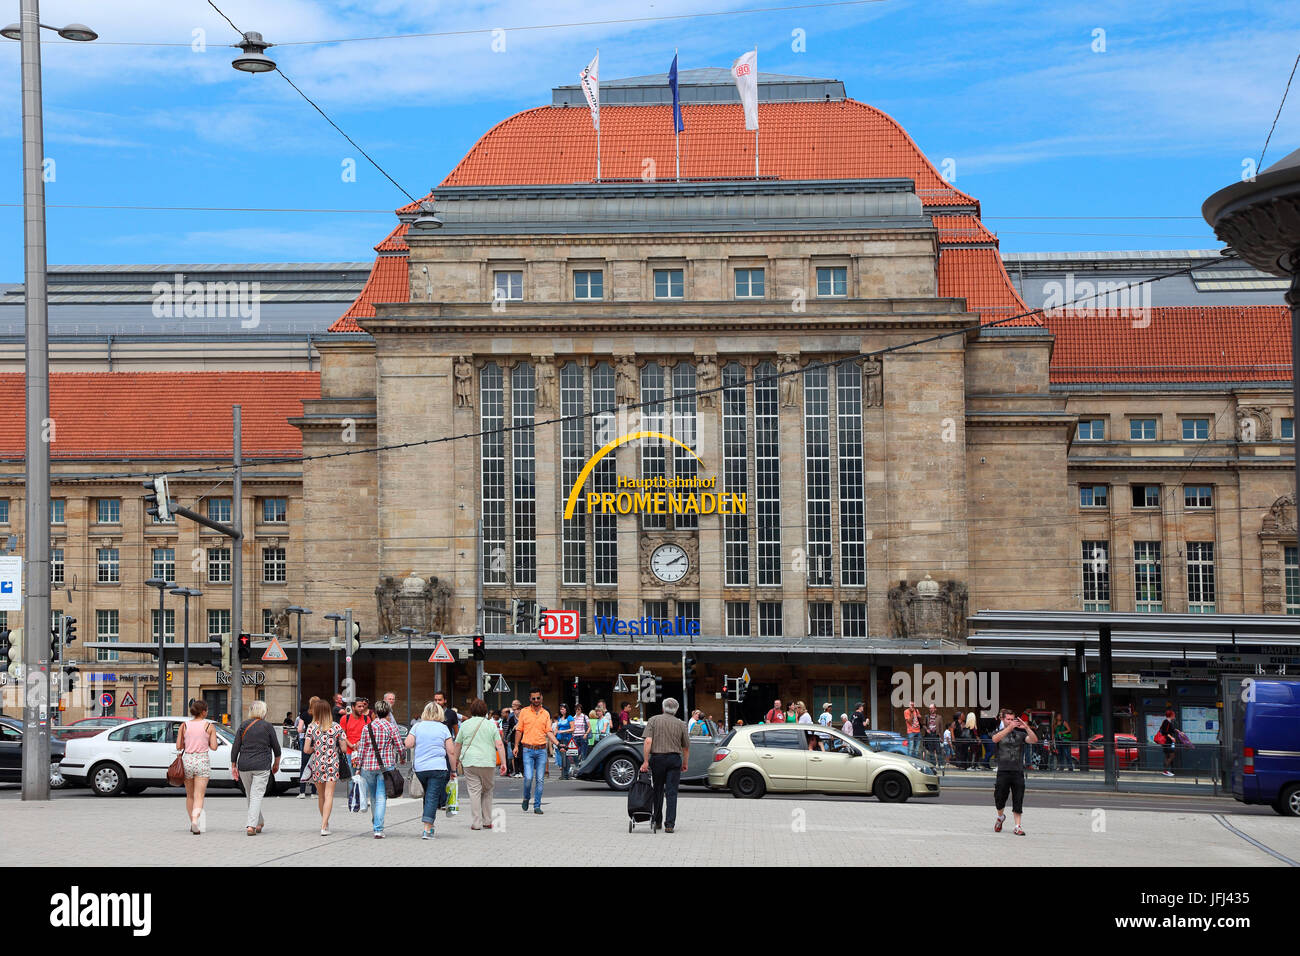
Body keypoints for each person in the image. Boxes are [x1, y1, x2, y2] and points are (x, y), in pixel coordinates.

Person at [352, 700, 405, 839]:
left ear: (374, 713)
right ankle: (378, 829)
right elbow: (400, 746)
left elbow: (361, 749)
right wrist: (402, 757)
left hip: (368, 767)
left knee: (374, 797)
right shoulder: (391, 727)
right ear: (388, 713)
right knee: (382, 797)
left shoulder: (367, 727)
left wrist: (358, 767)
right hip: (385, 767)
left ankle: (375, 822)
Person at [230, 699, 282, 837]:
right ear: (263, 712)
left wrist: (233, 765)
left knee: (251, 795)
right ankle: (251, 826)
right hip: (262, 765)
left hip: (244, 765)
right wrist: (276, 764)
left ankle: (259, 821)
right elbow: (276, 748)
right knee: (256, 795)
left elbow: (235, 747)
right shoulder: (267, 726)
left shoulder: (243, 725)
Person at [406, 702, 458, 839]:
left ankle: (430, 825)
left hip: (420, 768)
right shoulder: (443, 728)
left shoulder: (417, 726)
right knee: (432, 797)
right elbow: (451, 752)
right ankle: (427, 829)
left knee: (427, 796)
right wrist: (454, 770)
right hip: (438, 767)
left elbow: (408, 744)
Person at [455, 698, 508, 831]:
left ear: (471, 710)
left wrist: (455, 760)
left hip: (470, 762)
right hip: (488, 762)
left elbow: (458, 744)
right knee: (488, 790)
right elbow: (499, 745)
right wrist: (504, 763)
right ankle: (488, 821)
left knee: (474, 792)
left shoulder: (465, 725)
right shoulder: (491, 725)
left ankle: (476, 823)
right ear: (485, 710)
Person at [640, 697, 690, 833]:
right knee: (672, 792)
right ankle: (670, 824)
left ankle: (657, 821)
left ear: (662, 708)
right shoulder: (681, 724)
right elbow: (685, 747)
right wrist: (684, 763)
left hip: (658, 759)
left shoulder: (653, 720)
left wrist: (646, 761)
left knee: (657, 790)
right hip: (674, 760)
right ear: (676, 710)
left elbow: (648, 741)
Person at [303, 697, 352, 836]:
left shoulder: (311, 727)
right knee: (329, 795)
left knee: (321, 796)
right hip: (332, 763)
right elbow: (343, 749)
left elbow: (306, 749)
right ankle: (324, 826)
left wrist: (316, 749)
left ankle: (324, 822)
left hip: (318, 764)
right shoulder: (336, 726)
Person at [175, 698, 219, 835]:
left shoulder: (184, 725)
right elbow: (214, 747)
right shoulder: (209, 726)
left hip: (187, 760)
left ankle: (192, 823)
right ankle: (195, 821)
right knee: (199, 795)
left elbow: (178, 746)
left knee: (190, 795)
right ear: (204, 712)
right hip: (202, 760)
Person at [992, 708, 1037, 835]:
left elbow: (1034, 740)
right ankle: (1000, 817)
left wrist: (1026, 727)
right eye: (1008, 719)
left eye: (1013, 719)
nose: (1011, 721)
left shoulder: (1020, 734)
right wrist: (1009, 728)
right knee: (999, 798)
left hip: (1017, 771)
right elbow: (995, 739)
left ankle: (1017, 826)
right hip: (1003, 771)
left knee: (1018, 798)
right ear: (1003, 719)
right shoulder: (999, 732)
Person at [514, 692, 559, 814]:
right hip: (527, 749)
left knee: (540, 779)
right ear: (530, 699)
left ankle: (537, 806)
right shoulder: (524, 712)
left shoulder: (545, 714)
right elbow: (519, 730)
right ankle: (526, 797)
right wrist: (516, 746)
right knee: (528, 777)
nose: (536, 700)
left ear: (541, 698)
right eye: (533, 698)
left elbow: (549, 731)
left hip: (541, 750)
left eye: (538, 698)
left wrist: (558, 744)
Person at [339, 697, 374, 812]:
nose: (362, 708)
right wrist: (351, 744)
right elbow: (342, 734)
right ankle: (353, 798)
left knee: (364, 776)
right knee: (351, 777)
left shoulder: (367, 719)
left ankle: (363, 799)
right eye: (359, 706)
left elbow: (369, 734)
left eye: (363, 706)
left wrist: (360, 743)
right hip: (350, 752)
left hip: (363, 752)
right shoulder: (345, 718)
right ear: (353, 707)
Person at [296, 698, 317, 798]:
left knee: (304, 765)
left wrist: (306, 731)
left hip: (307, 741)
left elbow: (299, 729)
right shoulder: (321, 715)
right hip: (318, 741)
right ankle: (314, 792)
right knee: (315, 766)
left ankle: (302, 792)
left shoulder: (304, 714)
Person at [554, 703, 574, 779]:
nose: (561, 710)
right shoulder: (559, 718)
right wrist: (555, 733)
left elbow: (572, 729)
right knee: (560, 757)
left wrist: (563, 731)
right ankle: (563, 773)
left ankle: (566, 774)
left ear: (566, 709)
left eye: (563, 709)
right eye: (560, 709)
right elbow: (557, 727)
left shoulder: (570, 718)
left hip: (566, 739)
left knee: (566, 756)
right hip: (559, 739)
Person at [1158, 708, 1179, 776]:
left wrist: (1177, 731)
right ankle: (1165, 771)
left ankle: (1166, 771)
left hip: (1167, 742)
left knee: (1167, 756)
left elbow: (1171, 730)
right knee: (1172, 755)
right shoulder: (1166, 722)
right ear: (1171, 715)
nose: (1174, 715)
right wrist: (1172, 737)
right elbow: (1165, 732)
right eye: (1173, 714)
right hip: (1167, 742)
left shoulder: (1168, 722)